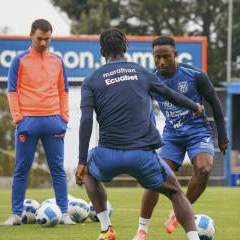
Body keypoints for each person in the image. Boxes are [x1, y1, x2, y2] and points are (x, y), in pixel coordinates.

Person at [75, 28, 202, 240]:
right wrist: (194, 106)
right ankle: (194, 238)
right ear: (125, 48)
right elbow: (170, 95)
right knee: (175, 192)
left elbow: (86, 120)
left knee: (88, 171)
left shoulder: (91, 80)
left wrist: (81, 161)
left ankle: (107, 229)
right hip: (142, 157)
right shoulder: (142, 72)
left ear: (101, 51)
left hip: (107, 155)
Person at [133, 36, 229, 239]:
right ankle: (142, 230)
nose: (161, 62)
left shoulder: (195, 75)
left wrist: (222, 136)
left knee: (204, 169)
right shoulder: (150, 78)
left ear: (175, 55)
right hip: (171, 135)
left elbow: (215, 103)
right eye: (157, 57)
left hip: (198, 132)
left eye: (166, 57)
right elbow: (138, 106)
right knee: (154, 177)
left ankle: (179, 212)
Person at [1, 19, 75, 226]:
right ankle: (16, 215)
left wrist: (64, 117)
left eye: (47, 39)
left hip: (54, 121)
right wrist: (18, 119)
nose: (43, 43)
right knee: (22, 168)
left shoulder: (58, 61)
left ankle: (64, 213)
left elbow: (64, 91)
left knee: (57, 169)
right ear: (31, 35)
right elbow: (12, 91)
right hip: (28, 122)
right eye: (40, 38)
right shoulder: (19, 60)